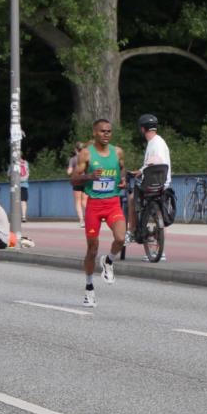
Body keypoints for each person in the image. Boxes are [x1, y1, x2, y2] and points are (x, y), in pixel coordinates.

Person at [70, 119, 127, 307]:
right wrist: (89, 176)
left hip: (113, 203)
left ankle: (109, 261)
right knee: (92, 249)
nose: (106, 134)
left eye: (109, 131)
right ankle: (89, 288)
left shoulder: (117, 151)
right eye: (102, 131)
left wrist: (123, 180)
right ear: (95, 132)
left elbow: (122, 168)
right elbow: (74, 180)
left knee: (121, 238)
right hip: (94, 205)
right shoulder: (86, 154)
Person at [126, 114, 171, 261]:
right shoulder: (160, 141)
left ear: (142, 129)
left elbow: (153, 163)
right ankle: (158, 243)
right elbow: (154, 165)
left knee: (132, 197)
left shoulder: (153, 144)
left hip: (149, 185)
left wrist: (139, 174)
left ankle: (131, 230)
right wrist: (140, 171)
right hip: (163, 184)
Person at [66, 142, 87, 227]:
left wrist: (69, 171)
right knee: (85, 201)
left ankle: (81, 221)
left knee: (78, 202)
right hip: (86, 180)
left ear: (76, 150)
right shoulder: (86, 158)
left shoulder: (73, 159)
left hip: (77, 181)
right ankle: (90, 218)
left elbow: (69, 172)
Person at [8, 157, 30, 223]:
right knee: (23, 201)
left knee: (15, 201)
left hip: (15, 185)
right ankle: (23, 216)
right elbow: (28, 173)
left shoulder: (12, 163)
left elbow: (8, 174)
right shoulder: (25, 163)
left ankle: (15, 216)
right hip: (24, 185)